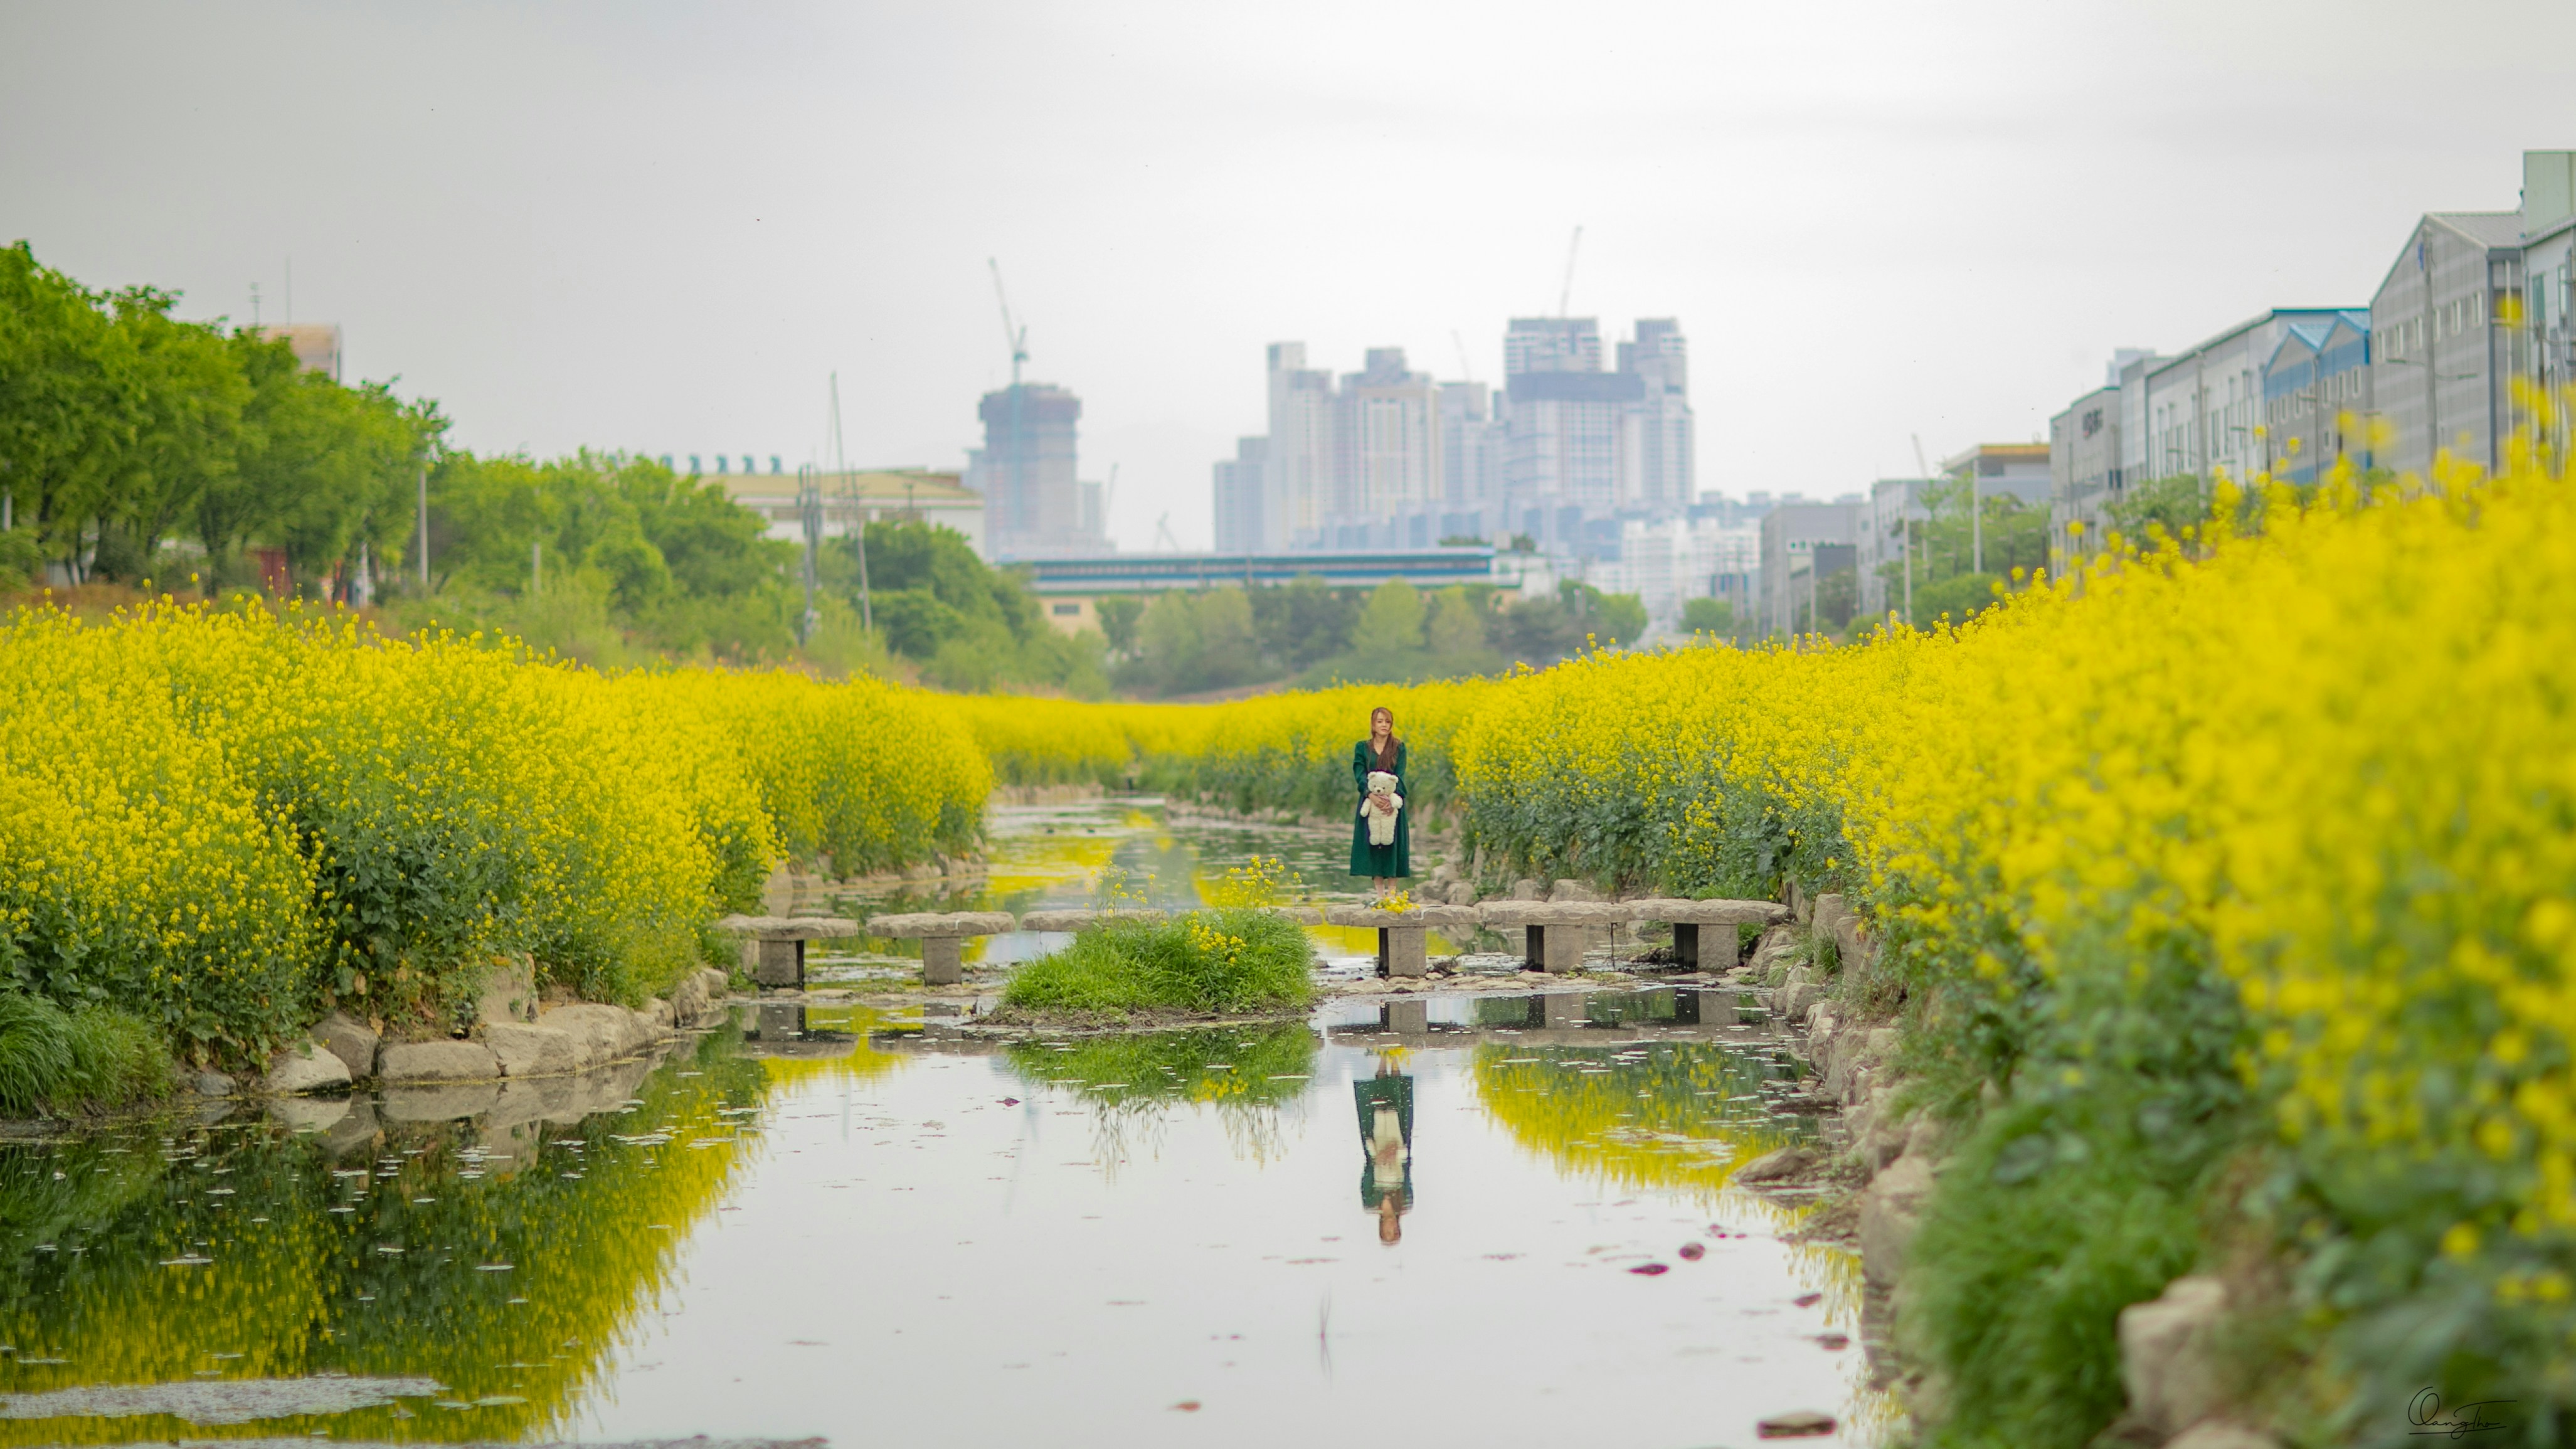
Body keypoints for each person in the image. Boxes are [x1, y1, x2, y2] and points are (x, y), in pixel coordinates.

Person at [1349, 706, 1410, 898]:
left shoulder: (1399, 747)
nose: (1384, 725)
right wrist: (1371, 795)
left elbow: (1400, 774)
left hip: (1393, 801)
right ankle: (1380, 895)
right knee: (1374, 842)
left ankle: (1392, 894)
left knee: (1393, 843)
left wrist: (1392, 801)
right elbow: (1359, 774)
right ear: (1373, 725)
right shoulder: (1362, 748)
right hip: (1370, 799)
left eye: (1388, 722)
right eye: (1380, 721)